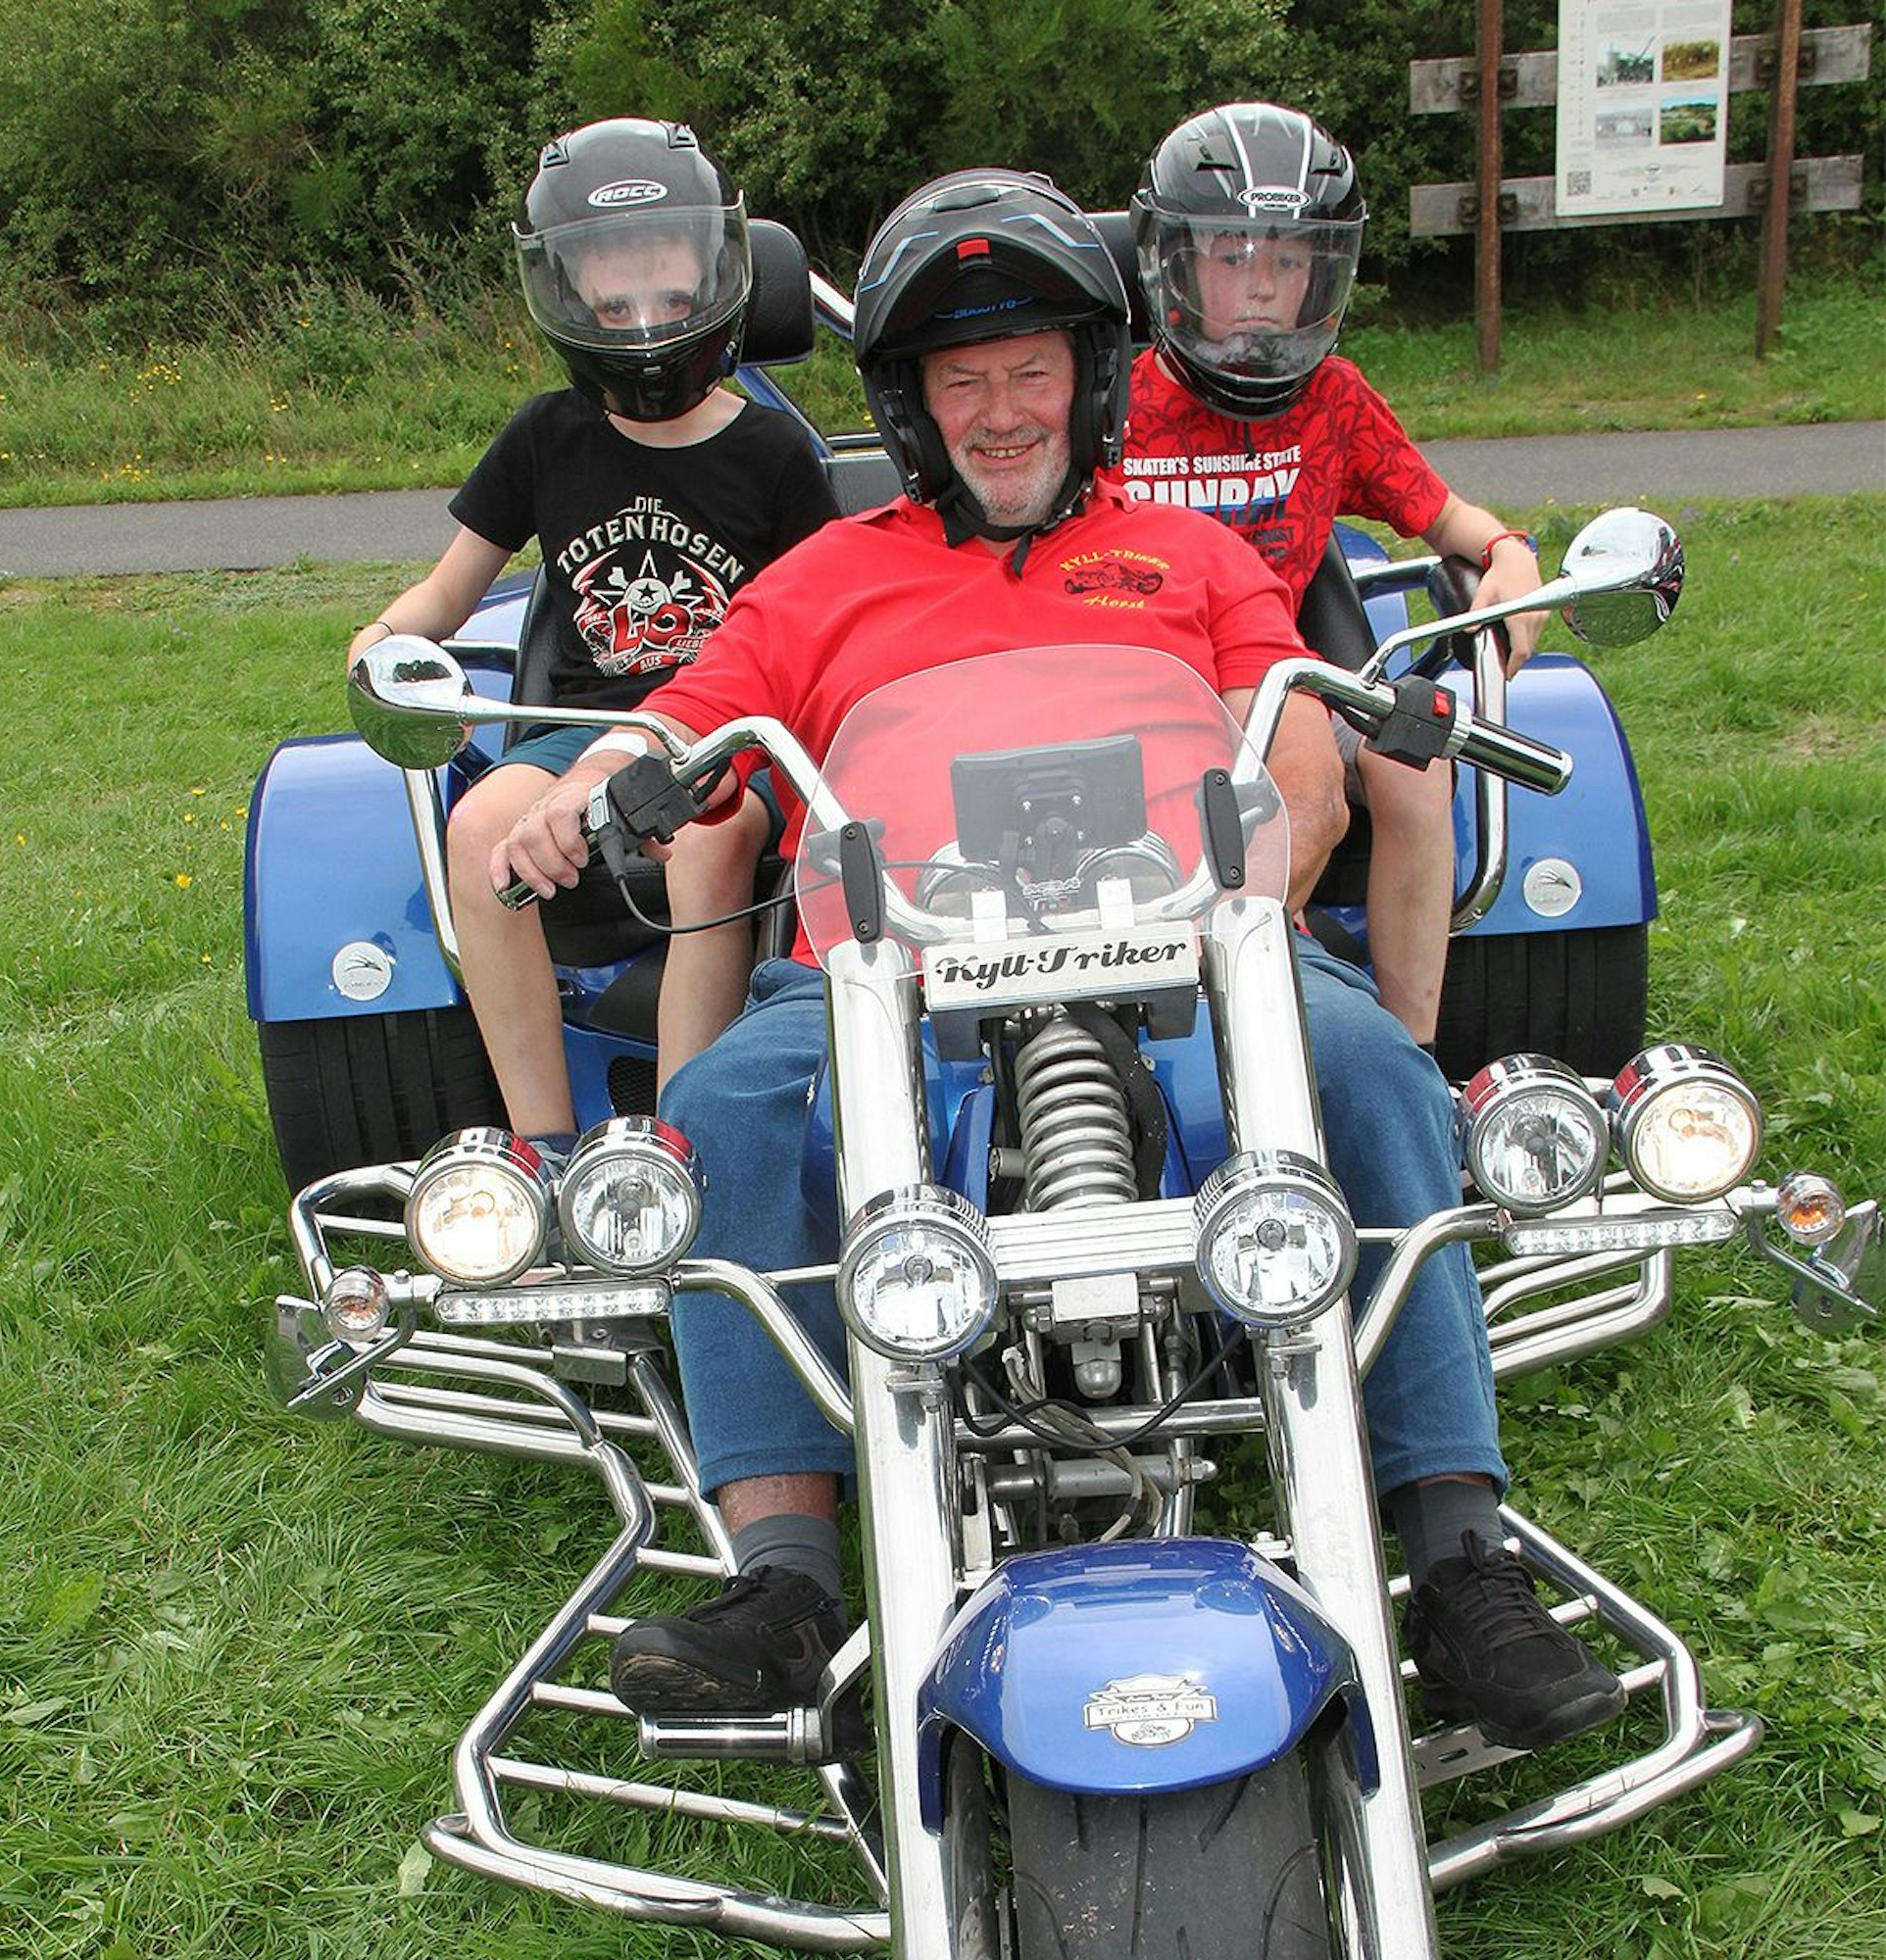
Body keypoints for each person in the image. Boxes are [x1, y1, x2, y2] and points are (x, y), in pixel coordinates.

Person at [493, 169, 1625, 1754]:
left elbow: (1297, 730)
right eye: (964, 381)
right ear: (912, 406)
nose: (1003, 411)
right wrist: (583, 788)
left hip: (1185, 938)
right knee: (729, 1105)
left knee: (1371, 1064)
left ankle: (1458, 1560)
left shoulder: (1194, 558)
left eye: (1031, 370)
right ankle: (784, 1575)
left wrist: (1261, 900)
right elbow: (681, 719)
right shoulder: (823, 575)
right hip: (882, 969)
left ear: (1089, 383)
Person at [345, 118, 837, 1144]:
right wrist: (382, 640)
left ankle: (681, 1143)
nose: (644, 317)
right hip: (572, 732)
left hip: (723, 740)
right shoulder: (545, 436)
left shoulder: (776, 453)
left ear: (715, 270)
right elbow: (445, 593)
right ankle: (544, 1146)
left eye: (668, 291)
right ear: (567, 292)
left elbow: (816, 628)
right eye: (614, 299)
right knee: (476, 831)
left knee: (708, 842)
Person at [1123, 102, 1549, 1048]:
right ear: (1175, 264)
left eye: (1287, 260)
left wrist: (1509, 552)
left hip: (1288, 672)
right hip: (1152, 676)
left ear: (1323, 271)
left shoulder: (1333, 399)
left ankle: (1406, 1048)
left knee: (1416, 761)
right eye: (1231, 256)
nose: (1260, 286)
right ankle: (1220, 1003)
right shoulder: (1118, 404)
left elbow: (1446, 516)